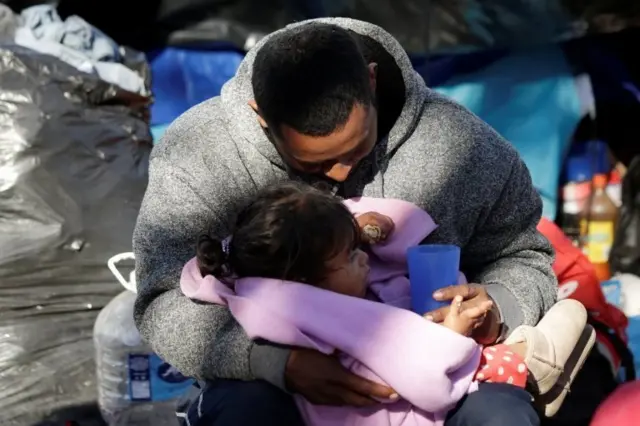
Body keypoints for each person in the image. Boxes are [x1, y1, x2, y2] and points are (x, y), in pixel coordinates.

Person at [133, 18, 558, 426]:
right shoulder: (201, 154)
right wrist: (272, 362)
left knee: (500, 415)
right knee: (247, 410)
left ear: (371, 82)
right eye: (313, 162)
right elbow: (163, 299)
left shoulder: (466, 150)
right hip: (271, 383)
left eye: (356, 149)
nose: (338, 175)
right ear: (261, 116)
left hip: (443, 368)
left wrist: (495, 308)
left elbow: (524, 256)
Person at [176, 182, 592, 426]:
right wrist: (448, 339)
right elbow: (428, 383)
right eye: (351, 256)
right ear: (305, 282)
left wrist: (376, 227)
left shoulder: (253, 284)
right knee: (495, 387)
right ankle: (522, 363)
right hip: (387, 409)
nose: (365, 259)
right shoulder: (329, 316)